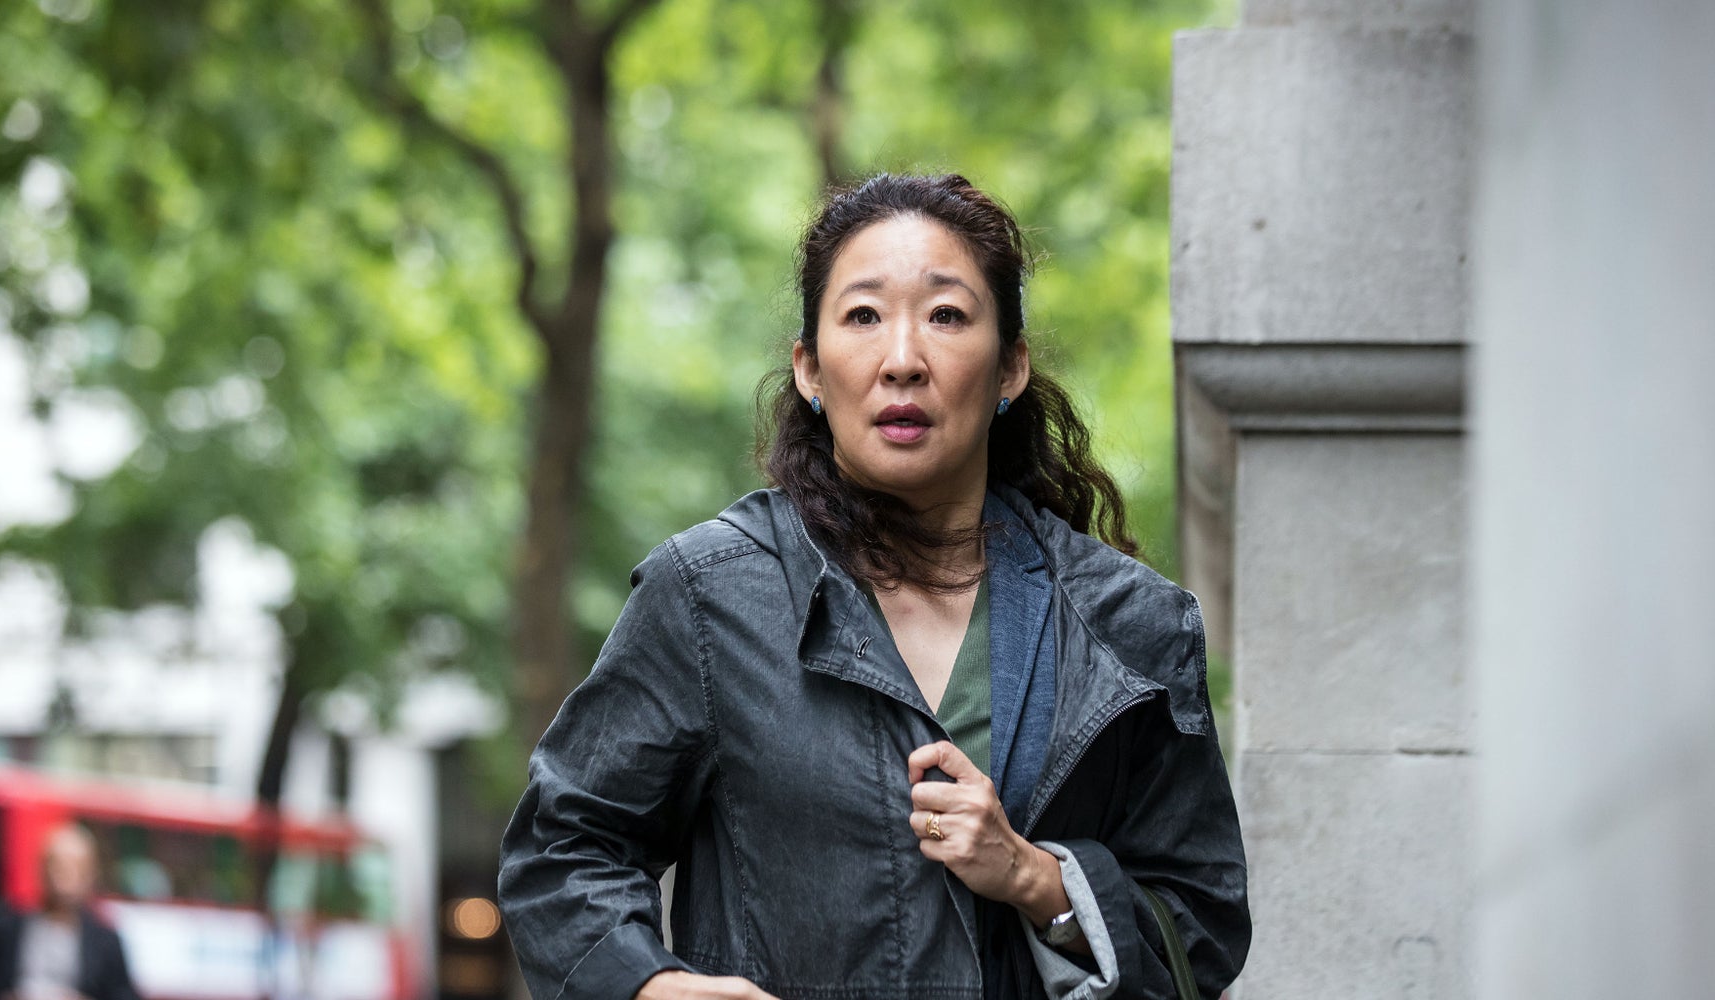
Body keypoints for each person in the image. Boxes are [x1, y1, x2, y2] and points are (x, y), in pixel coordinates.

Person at [498, 173, 1250, 999]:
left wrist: (1041, 880)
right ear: (810, 371)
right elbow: (563, 848)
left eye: (947, 316)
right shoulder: (710, 595)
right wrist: (650, 986)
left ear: (1010, 369)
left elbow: (1202, 926)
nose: (902, 360)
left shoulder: (1132, 625)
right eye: (862, 316)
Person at [0, 824, 142, 1000]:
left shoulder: (106, 942)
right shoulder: (1, 932)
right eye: (57, 866)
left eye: (76, 868)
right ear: (42, 869)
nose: (65, 877)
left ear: (91, 875)